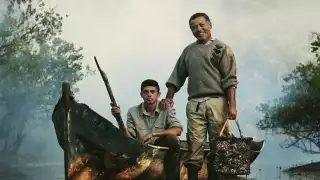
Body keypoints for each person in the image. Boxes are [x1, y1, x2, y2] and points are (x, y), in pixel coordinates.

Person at [160, 12, 238, 180]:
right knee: (194, 144)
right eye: (193, 27)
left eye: (201, 25)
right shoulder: (188, 51)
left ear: (210, 25)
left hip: (218, 100)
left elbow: (230, 79)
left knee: (221, 144)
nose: (198, 29)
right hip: (195, 102)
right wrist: (169, 97)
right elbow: (177, 75)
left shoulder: (222, 48)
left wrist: (232, 105)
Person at [111, 79, 183, 180]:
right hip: (142, 153)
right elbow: (129, 137)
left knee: (173, 139)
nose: (149, 95)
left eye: (152, 92)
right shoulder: (133, 111)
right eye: (146, 92)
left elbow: (178, 130)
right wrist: (118, 119)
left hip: (161, 153)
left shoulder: (165, 108)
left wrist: (152, 134)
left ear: (158, 94)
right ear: (141, 94)